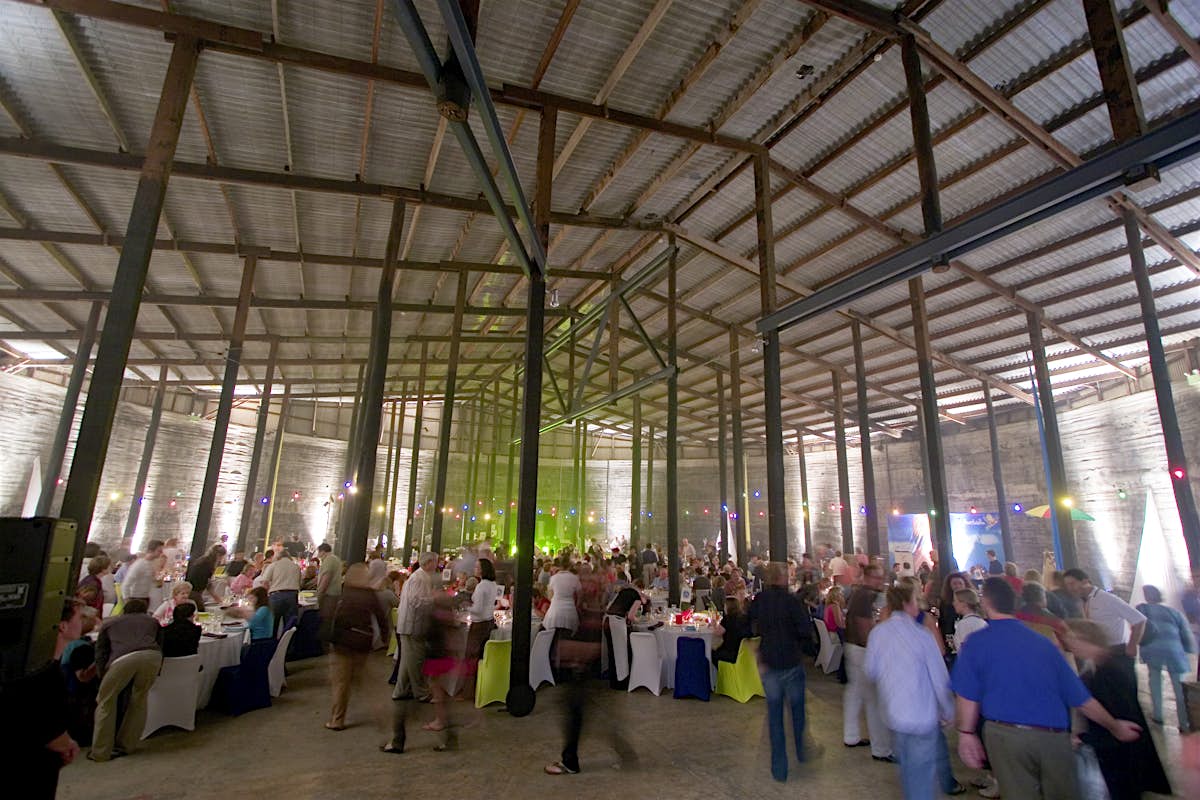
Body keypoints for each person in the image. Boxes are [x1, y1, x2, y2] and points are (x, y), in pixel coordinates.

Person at [952, 578, 1141, 800]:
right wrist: (1114, 726)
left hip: (1004, 734)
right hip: (1052, 737)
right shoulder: (1044, 643)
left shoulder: (977, 642)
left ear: (986, 603)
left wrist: (966, 733)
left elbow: (967, 694)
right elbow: (1079, 697)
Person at [866, 582, 961, 800]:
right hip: (921, 715)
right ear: (908, 604)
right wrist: (949, 710)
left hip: (893, 714)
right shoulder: (921, 635)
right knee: (921, 779)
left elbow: (871, 671)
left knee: (908, 771)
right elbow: (939, 677)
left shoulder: (878, 634)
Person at [1064, 619, 1171, 799]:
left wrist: (1085, 738)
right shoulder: (1100, 665)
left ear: (1084, 640)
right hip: (1117, 750)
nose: (1070, 648)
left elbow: (1123, 718)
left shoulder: (1109, 671)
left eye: (1071, 642)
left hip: (1121, 754)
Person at [1, 599, 84, 797]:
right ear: (62, 626)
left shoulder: (45, 666)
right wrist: (65, 744)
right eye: (79, 617)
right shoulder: (41, 671)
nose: (84, 621)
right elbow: (44, 722)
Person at [747, 562, 812, 782]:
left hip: (770, 662)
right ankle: (802, 750)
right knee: (797, 711)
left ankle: (779, 768)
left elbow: (748, 623)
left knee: (775, 717)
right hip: (791, 662)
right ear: (782, 578)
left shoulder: (760, 600)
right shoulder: (792, 602)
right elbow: (805, 629)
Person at [90, 598, 163, 762]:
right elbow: (160, 643)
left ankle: (101, 752)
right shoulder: (152, 622)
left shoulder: (110, 623)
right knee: (139, 699)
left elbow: (101, 651)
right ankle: (127, 745)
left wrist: (102, 674)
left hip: (123, 659)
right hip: (152, 656)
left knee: (106, 701)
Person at [325, 562, 389, 731]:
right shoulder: (370, 595)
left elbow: (333, 617)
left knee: (341, 683)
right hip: (363, 641)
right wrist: (384, 638)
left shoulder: (344, 593)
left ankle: (337, 719)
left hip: (342, 644)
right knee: (368, 682)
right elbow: (381, 618)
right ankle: (382, 716)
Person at [842, 564, 894, 761]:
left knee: (854, 693)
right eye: (876, 578)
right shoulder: (865, 596)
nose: (879, 582)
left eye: (881, 578)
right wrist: (875, 650)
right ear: (866, 577)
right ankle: (881, 749)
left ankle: (851, 735)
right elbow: (864, 626)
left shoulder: (860, 594)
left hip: (853, 647)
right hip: (862, 650)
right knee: (874, 699)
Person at [1062, 568, 1146, 683]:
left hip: (1117, 653)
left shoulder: (1106, 599)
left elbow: (1139, 620)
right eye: (1067, 585)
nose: (1070, 588)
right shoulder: (1084, 602)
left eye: (1072, 584)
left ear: (1085, 581)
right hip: (1101, 654)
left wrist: (1132, 646)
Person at [1136, 584, 1195, 731]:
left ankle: (1158, 715)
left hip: (1152, 650)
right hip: (1174, 651)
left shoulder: (1142, 609)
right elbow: (1185, 633)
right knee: (1179, 687)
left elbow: (1136, 624)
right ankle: (1184, 722)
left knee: (1155, 682)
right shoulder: (1173, 612)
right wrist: (1189, 650)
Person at [393, 552, 440, 702]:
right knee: (417, 660)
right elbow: (416, 601)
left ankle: (401, 690)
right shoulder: (420, 578)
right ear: (429, 563)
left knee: (408, 661)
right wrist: (434, 599)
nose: (437, 565)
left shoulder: (418, 577)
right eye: (435, 562)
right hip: (413, 625)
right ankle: (422, 693)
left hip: (408, 624)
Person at [261, 545, 302, 634]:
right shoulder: (296, 567)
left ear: (278, 557)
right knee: (290, 625)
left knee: (272, 624)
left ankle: (272, 644)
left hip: (276, 595)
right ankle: (288, 645)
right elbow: (300, 583)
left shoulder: (273, 565)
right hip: (292, 595)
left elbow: (265, 582)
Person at [465, 558, 498, 664]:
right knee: (482, 654)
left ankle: (472, 679)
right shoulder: (493, 584)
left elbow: (478, 610)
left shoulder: (481, 586)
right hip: (489, 621)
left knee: (472, 656)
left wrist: (466, 607)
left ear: (482, 570)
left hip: (479, 625)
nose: (474, 569)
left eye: (476, 567)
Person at [542, 560, 582, 635]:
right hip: (570, 610)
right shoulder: (574, 578)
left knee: (552, 634)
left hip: (555, 609)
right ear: (570, 567)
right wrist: (577, 605)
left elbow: (550, 595)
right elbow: (580, 595)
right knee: (569, 635)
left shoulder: (553, 578)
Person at [119, 539, 164, 606]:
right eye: (159, 551)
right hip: (135, 597)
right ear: (151, 550)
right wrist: (127, 601)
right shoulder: (139, 564)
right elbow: (126, 584)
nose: (161, 554)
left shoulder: (152, 564)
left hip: (145, 597)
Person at [712, 596, 752, 666]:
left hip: (730, 652)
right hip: (745, 652)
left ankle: (719, 673)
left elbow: (717, 633)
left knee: (712, 652)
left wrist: (714, 625)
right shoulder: (745, 617)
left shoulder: (727, 619)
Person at [185, 544, 226, 610]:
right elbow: (208, 584)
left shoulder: (203, 560)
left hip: (192, 589)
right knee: (201, 611)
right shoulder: (207, 564)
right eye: (221, 557)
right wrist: (218, 599)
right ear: (218, 555)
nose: (221, 559)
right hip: (195, 591)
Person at [315, 542, 343, 640]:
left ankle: (323, 643)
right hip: (334, 594)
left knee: (325, 619)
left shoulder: (329, 560)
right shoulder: (335, 559)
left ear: (322, 551)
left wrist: (319, 595)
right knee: (329, 619)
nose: (318, 555)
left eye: (318, 552)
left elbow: (326, 578)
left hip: (329, 595)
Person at [951, 589, 987, 654]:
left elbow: (964, 650)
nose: (953, 603)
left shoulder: (964, 624)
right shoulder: (982, 622)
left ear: (964, 604)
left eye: (955, 601)